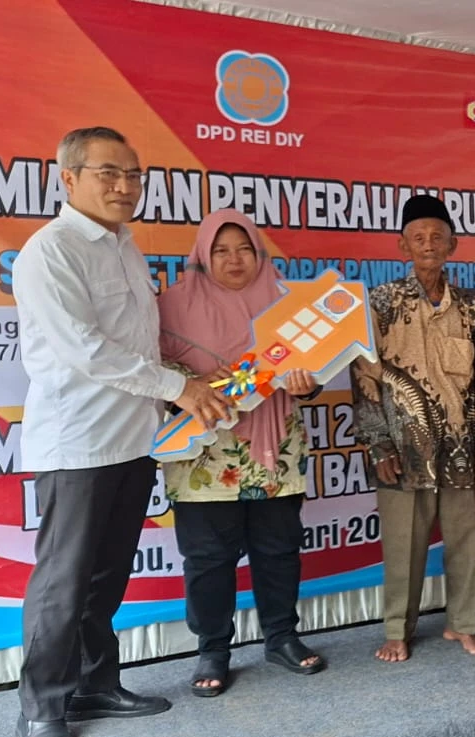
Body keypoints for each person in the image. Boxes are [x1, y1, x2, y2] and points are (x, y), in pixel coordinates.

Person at [11, 127, 232, 737]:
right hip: (78, 443)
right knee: (63, 582)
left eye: (134, 175)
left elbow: (140, 343)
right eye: (108, 172)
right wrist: (178, 387)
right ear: (69, 178)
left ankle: (94, 687)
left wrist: (191, 383)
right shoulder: (50, 252)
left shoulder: (126, 248)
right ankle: (42, 709)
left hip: (134, 441)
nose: (124, 186)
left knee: (105, 578)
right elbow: (85, 350)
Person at [157, 209, 326, 697]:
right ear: (202, 256)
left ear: (259, 253)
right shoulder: (170, 306)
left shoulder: (287, 303)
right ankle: (212, 648)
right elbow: (151, 366)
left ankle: (281, 637)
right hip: (204, 452)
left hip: (275, 447)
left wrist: (309, 383)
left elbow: (314, 364)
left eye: (244, 249)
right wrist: (189, 384)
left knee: (278, 549)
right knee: (208, 558)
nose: (234, 260)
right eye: (221, 251)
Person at [351, 194, 475, 663]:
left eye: (438, 236)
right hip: (402, 449)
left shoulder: (469, 308)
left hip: (458, 445)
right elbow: (364, 378)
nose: (429, 244)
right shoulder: (381, 303)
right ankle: (398, 630)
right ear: (403, 246)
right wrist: (379, 445)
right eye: (418, 237)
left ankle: (462, 625)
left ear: (452, 245)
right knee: (403, 544)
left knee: (464, 541)